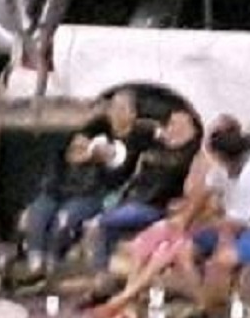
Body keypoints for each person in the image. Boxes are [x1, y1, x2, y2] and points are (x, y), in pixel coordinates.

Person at [19, 89, 156, 285]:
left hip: (99, 193)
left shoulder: (139, 137)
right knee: (39, 211)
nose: (115, 112)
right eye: (113, 107)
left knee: (65, 218)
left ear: (133, 114)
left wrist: (95, 155)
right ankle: (35, 265)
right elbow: (74, 152)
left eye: (122, 108)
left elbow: (128, 167)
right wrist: (91, 154)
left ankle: (50, 266)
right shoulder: (98, 125)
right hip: (67, 185)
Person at [169, 118, 250, 318]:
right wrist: (183, 221)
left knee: (221, 262)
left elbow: (234, 226)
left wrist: (219, 252)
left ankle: (215, 312)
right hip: (234, 225)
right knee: (184, 251)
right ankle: (204, 305)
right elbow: (204, 192)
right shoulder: (222, 168)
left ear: (222, 156)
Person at [82, 109, 202, 305]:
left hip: (156, 205)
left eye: (178, 123)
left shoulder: (192, 153)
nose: (171, 127)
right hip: (134, 200)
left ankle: (106, 285)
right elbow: (136, 144)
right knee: (99, 230)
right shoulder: (156, 145)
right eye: (170, 122)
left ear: (191, 128)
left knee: (100, 224)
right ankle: (103, 283)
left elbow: (193, 187)